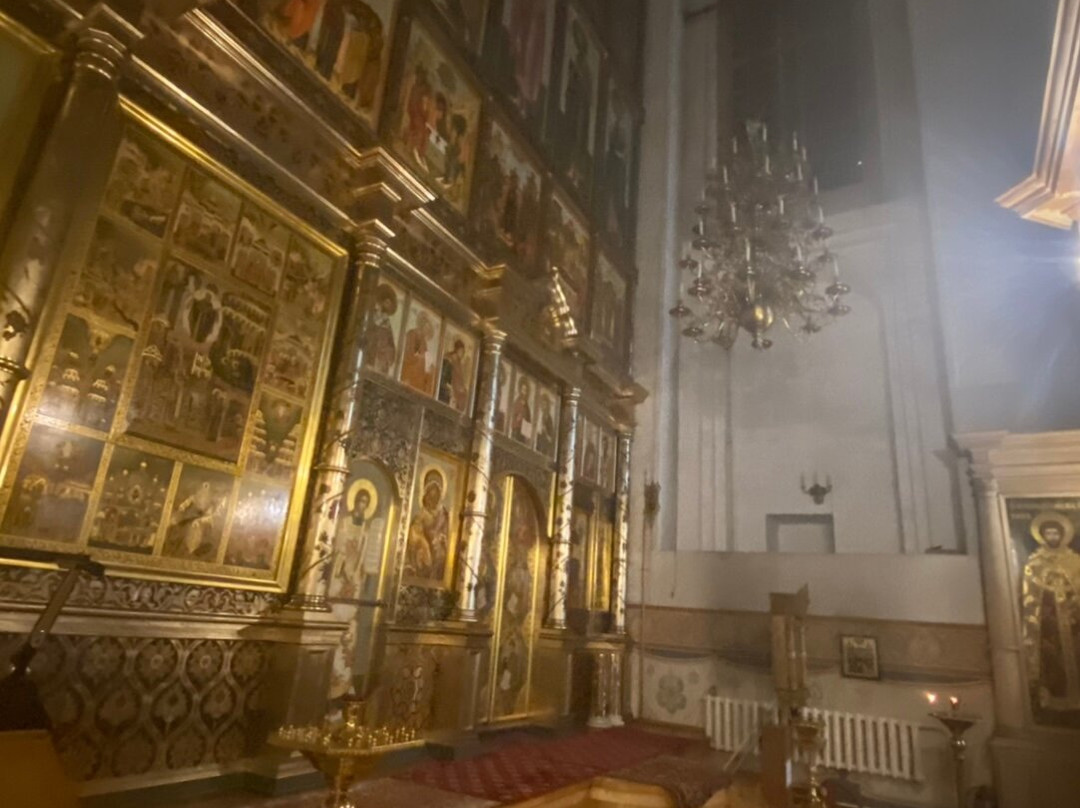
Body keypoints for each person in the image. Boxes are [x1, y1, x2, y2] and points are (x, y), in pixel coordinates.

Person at [1022, 513, 1080, 712]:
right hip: (1048, 623)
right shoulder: (1035, 561)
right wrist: (1048, 585)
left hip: (1072, 621)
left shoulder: (1074, 560)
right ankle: (1051, 699)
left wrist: (1068, 587)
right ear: (1042, 535)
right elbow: (1030, 591)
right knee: (1051, 661)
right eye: (1048, 533)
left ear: (1063, 535)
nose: (1052, 536)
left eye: (1056, 533)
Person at [407, 470, 450, 581]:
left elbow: (448, 535)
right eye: (430, 494)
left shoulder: (444, 514)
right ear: (426, 494)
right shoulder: (421, 515)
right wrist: (423, 542)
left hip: (439, 555)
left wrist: (442, 539)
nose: (433, 498)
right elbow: (414, 534)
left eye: (436, 494)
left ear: (440, 495)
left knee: (441, 555)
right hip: (424, 552)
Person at [365, 284, 399, 375]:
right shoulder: (368, 317)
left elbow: (392, 351)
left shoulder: (387, 324)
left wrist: (387, 354)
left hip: (379, 369)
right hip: (366, 364)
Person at [400, 310, 436, 393]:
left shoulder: (423, 341)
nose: (427, 330)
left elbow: (426, 357)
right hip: (409, 374)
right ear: (422, 324)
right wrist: (421, 358)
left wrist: (429, 365)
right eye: (426, 326)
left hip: (418, 378)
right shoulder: (411, 334)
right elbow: (408, 356)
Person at [510, 377, 533, 443]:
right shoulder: (517, 402)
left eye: (525, 390)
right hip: (517, 430)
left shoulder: (527, 406)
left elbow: (528, 420)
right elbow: (513, 416)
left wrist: (527, 434)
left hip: (523, 432)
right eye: (523, 390)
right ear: (520, 390)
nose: (524, 392)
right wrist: (517, 418)